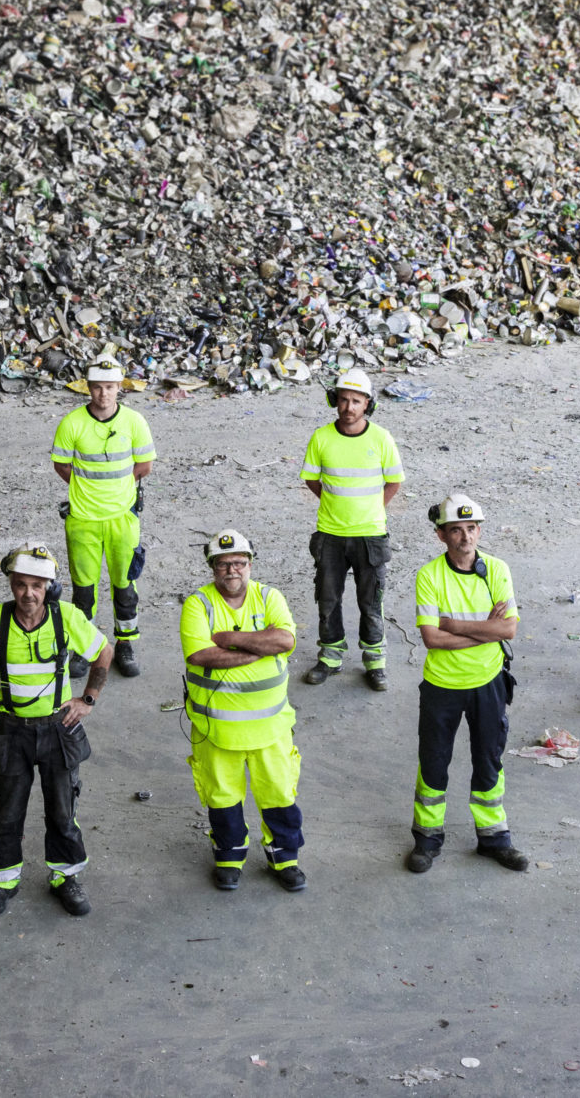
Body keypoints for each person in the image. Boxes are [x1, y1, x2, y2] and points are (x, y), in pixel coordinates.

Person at [0, 544, 110, 917]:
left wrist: (87, 699)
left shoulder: (66, 617)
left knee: (62, 808)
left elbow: (103, 652)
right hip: (10, 732)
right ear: (10, 584)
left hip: (58, 729)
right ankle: (4, 881)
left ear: (49, 587)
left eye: (37, 585)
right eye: (21, 584)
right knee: (7, 811)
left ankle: (65, 877)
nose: (28, 594)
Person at [406, 495, 529, 875]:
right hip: (442, 685)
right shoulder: (429, 576)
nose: (465, 537)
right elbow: (431, 639)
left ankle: (494, 838)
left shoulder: (497, 570)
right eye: (456, 530)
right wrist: (485, 633)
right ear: (441, 534)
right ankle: (427, 841)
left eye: (471, 528)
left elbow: (508, 629)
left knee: (489, 759)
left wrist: (455, 625)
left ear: (480, 530)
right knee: (434, 762)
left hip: (488, 683)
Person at [180, 530, 306, 892]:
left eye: (239, 563)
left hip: (271, 728)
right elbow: (200, 655)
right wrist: (259, 647)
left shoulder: (270, 597)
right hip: (216, 730)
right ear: (212, 568)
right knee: (222, 798)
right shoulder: (198, 605)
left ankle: (286, 858)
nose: (232, 570)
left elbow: (285, 640)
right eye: (224, 564)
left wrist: (231, 639)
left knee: (280, 795)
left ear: (250, 565)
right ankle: (230, 857)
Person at [299, 367, 406, 692]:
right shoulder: (321, 437)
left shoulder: (381, 438)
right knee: (328, 599)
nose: (348, 407)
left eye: (356, 401)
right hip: (329, 534)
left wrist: (372, 509)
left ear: (367, 404)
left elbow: (394, 481)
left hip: (370, 535)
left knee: (371, 601)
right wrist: (335, 504)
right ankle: (330, 657)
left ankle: (375, 662)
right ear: (335, 400)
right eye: (343, 400)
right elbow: (312, 479)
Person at [51, 362, 156, 677]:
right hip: (82, 520)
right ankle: (87, 647)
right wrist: (88, 491)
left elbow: (144, 466)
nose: (103, 393)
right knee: (84, 589)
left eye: (110, 387)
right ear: (88, 387)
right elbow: (62, 466)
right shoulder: (72, 423)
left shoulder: (134, 421)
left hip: (122, 520)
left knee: (125, 586)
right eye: (97, 386)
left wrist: (116, 492)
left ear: (119, 388)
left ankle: (124, 644)